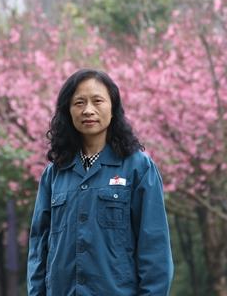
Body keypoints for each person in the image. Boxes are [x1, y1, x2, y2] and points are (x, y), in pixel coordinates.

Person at [27, 68, 174, 296]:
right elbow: (39, 248)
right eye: (79, 103)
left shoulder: (139, 168)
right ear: (68, 111)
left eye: (97, 101)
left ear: (113, 108)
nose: (88, 110)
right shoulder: (54, 174)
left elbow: (154, 247)